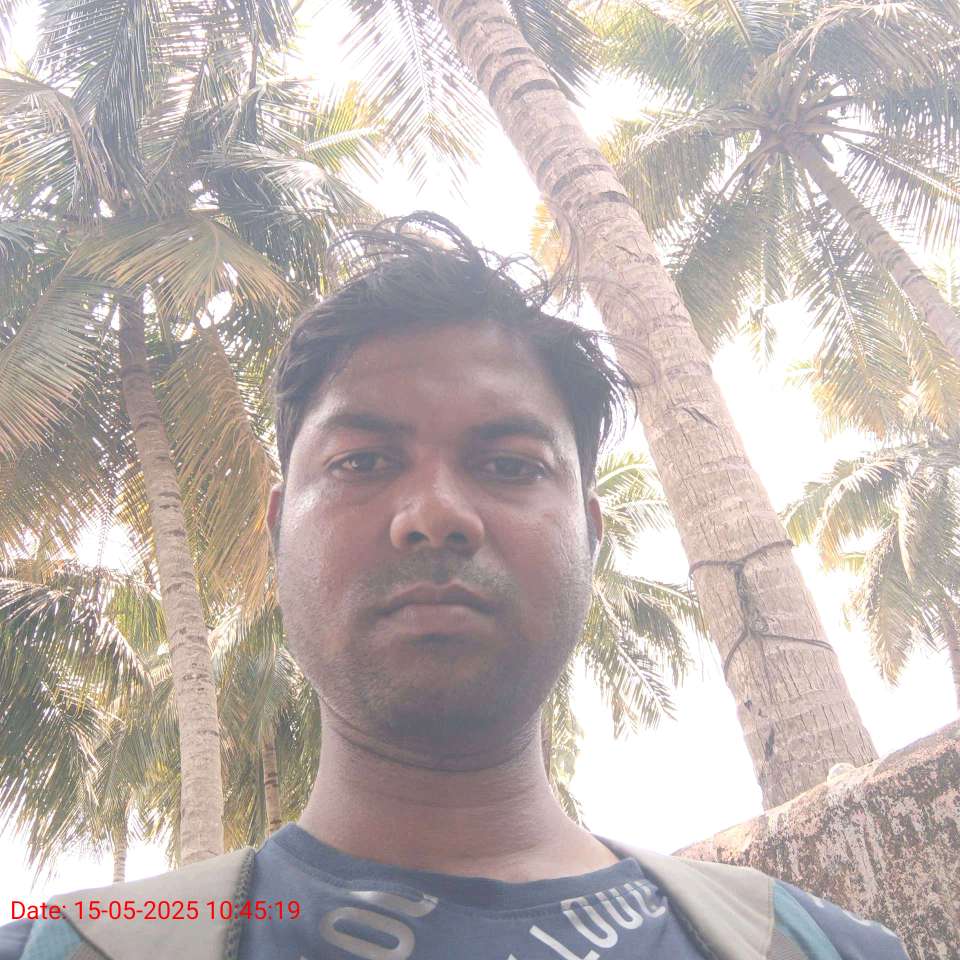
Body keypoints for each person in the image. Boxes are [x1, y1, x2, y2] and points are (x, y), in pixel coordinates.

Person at [0, 213, 911, 960]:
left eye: (509, 465)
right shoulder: (71, 950)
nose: (434, 515)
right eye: (363, 461)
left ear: (590, 534)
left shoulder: (816, 949)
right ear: (277, 533)